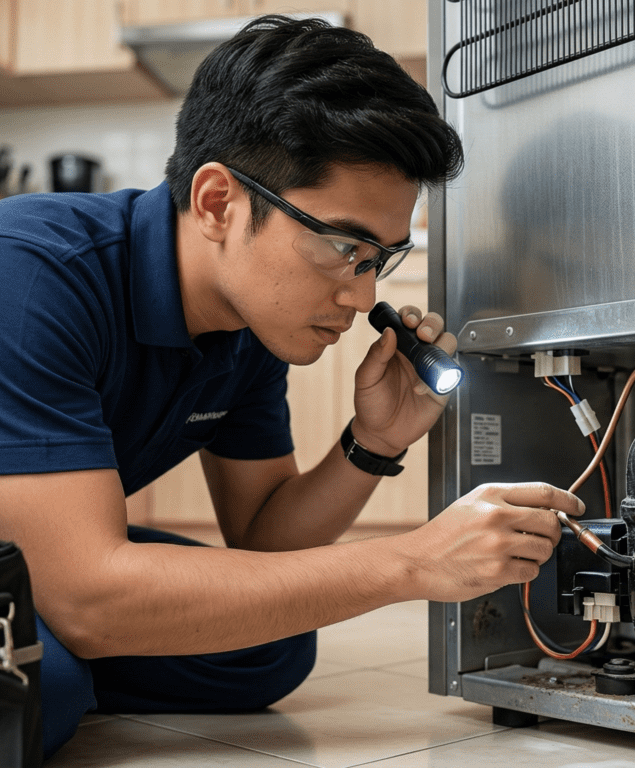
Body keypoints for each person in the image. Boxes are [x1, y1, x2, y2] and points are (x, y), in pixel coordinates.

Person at [0, 15, 583, 760]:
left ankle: (72, 647)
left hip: (32, 552)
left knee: (267, 647)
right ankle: (66, 658)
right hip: (37, 560)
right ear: (218, 203)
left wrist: (372, 445)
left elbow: (264, 541)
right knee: (46, 674)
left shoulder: (247, 328)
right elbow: (85, 592)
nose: (360, 293)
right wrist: (413, 562)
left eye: (382, 256)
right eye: (344, 248)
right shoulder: (35, 273)